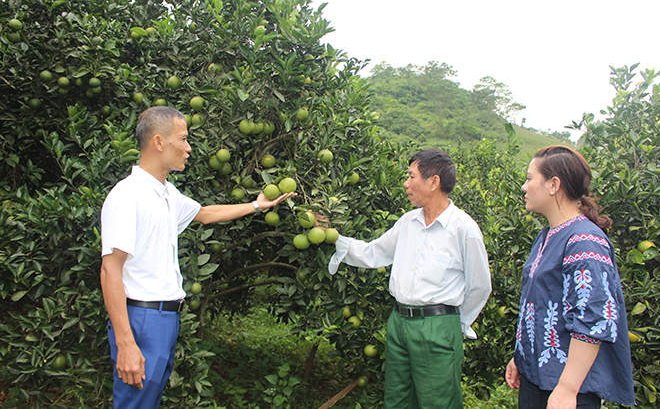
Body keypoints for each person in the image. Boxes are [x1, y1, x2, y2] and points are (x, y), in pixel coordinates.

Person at [100, 106, 295, 409]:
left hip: (164, 319)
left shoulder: (165, 193)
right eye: (183, 139)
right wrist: (126, 342)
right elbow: (110, 271)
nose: (189, 148)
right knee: (133, 404)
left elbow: (204, 214)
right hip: (141, 319)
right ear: (159, 142)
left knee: (146, 403)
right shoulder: (128, 196)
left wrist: (257, 206)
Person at [327, 149, 492, 409]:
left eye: (411, 176)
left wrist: (452, 323)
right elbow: (374, 253)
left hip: (437, 325)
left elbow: (480, 285)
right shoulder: (408, 222)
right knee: (398, 399)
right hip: (399, 323)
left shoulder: (464, 228)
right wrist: (333, 236)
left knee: (438, 402)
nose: (405, 183)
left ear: (433, 182)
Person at [505, 146, 635, 409]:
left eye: (530, 178)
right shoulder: (546, 236)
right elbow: (539, 302)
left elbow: (594, 320)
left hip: (567, 388)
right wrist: (523, 356)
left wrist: (567, 389)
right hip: (537, 378)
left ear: (553, 185)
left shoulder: (584, 241)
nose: (524, 187)